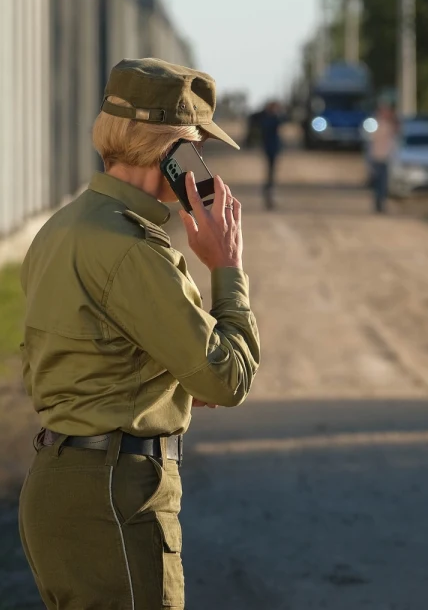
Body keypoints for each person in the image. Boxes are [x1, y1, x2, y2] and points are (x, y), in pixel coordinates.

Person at [17, 58, 262, 610]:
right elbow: (229, 380)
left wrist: (169, 376)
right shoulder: (134, 250)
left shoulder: (65, 227)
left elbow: (77, 353)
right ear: (175, 152)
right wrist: (226, 267)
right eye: (197, 143)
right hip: (114, 492)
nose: (203, 160)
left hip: (60, 486)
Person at [368, 102, 398, 213]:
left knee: (384, 184)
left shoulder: (391, 126)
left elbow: (394, 142)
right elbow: (370, 143)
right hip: (377, 158)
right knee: (377, 183)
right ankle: (378, 204)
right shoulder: (375, 125)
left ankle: (382, 203)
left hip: (386, 158)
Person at [257, 100, 285, 210]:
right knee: (270, 173)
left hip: (273, 149)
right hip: (270, 149)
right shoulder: (270, 119)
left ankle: (269, 192)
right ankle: (269, 193)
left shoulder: (271, 118)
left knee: (271, 172)